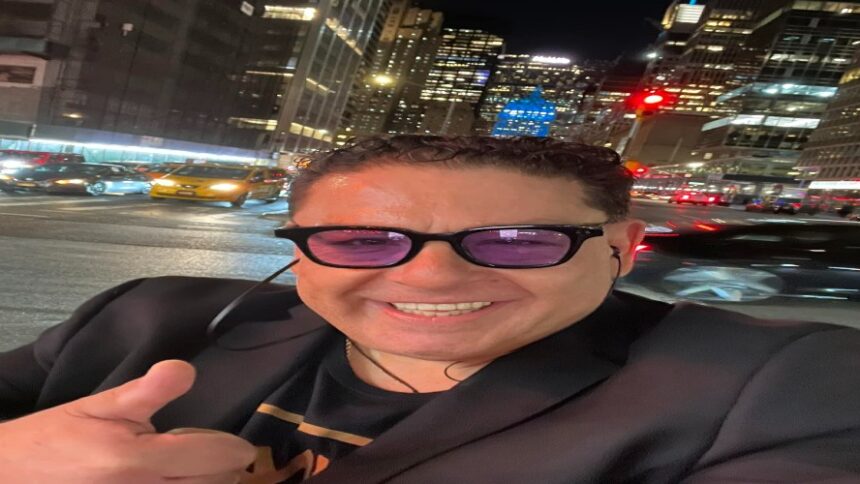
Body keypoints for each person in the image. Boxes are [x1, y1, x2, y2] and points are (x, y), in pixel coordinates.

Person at [1, 135, 859, 484]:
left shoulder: (781, 388)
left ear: (623, 248)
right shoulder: (149, 319)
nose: (432, 277)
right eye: (361, 240)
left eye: (518, 241)